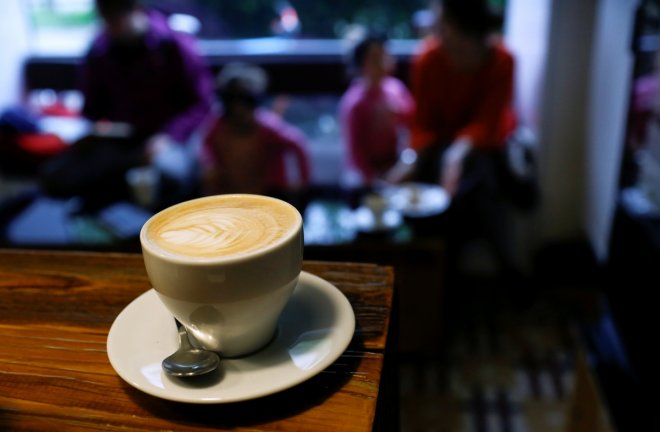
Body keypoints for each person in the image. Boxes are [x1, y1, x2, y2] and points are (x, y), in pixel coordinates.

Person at [40, 0, 214, 210]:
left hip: (172, 138)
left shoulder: (173, 44)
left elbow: (202, 104)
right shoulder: (100, 50)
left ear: (136, 11)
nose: (112, 28)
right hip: (125, 138)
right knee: (56, 176)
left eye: (116, 20)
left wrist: (168, 136)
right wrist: (97, 130)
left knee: (170, 174)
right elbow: (92, 109)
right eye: (106, 21)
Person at [199, 63, 311, 203]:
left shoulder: (267, 127)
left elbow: (298, 143)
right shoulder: (217, 126)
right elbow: (206, 147)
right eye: (233, 103)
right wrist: (210, 165)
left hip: (266, 194)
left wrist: (302, 183)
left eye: (244, 102)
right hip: (229, 195)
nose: (239, 111)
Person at [338, 31, 415, 189]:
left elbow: (413, 123)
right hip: (366, 175)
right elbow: (356, 154)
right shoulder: (355, 103)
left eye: (384, 55)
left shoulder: (396, 89)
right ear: (362, 63)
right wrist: (377, 181)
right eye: (375, 58)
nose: (382, 62)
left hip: (395, 165)